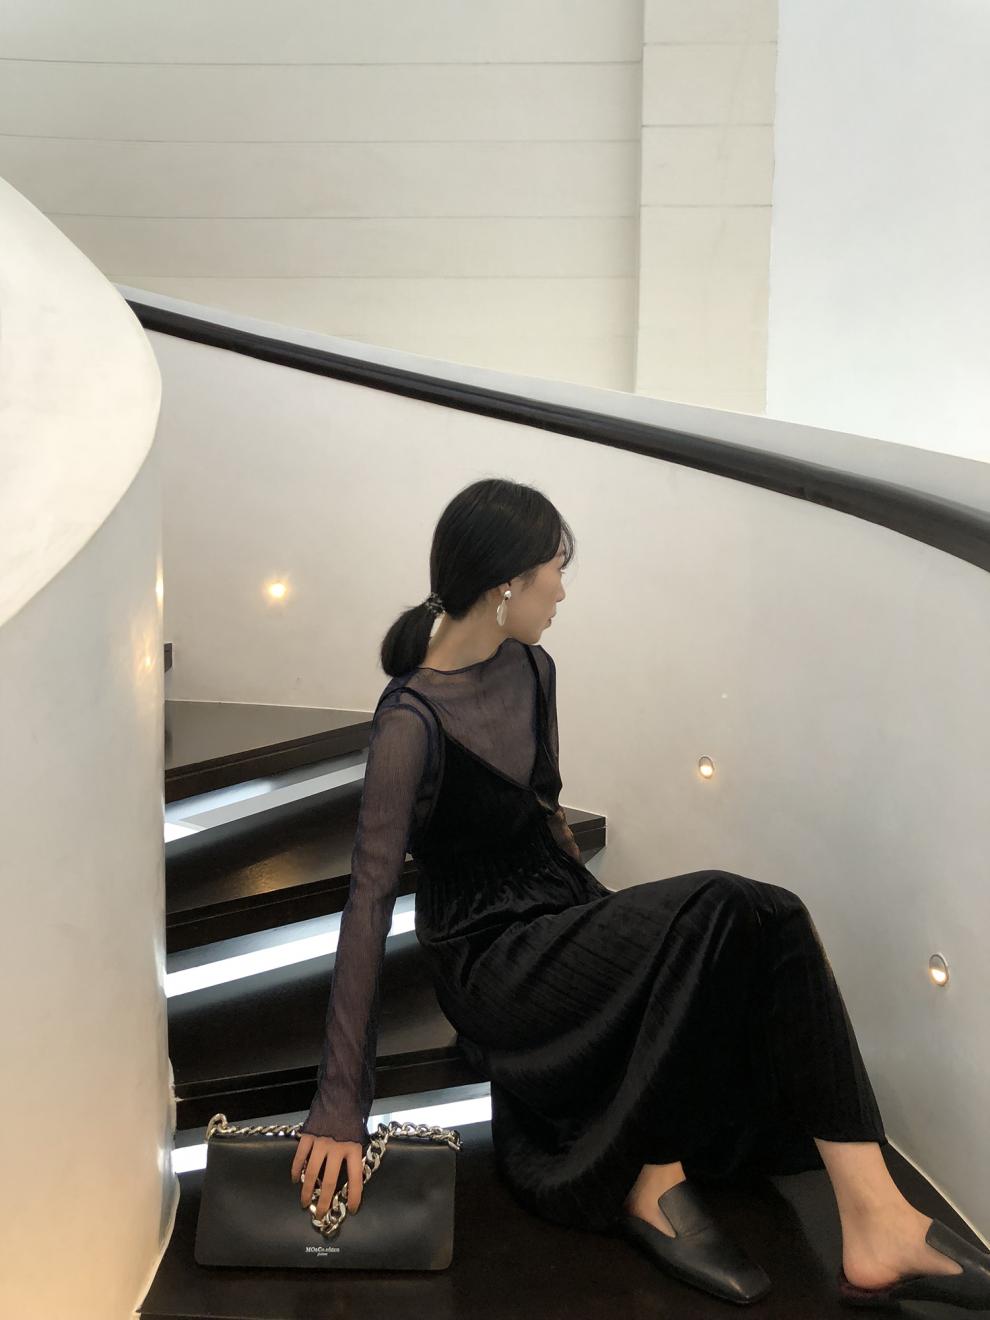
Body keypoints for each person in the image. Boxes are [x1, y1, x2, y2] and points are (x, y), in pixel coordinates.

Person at [290, 477, 990, 1308]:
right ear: (508, 583)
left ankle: (877, 1220)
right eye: (555, 570)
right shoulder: (409, 722)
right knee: (733, 904)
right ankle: (656, 1174)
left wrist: (612, 930)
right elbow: (368, 901)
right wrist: (341, 1102)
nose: (561, 590)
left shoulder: (533, 668)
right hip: (487, 956)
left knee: (764, 921)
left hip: (557, 911)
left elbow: (544, 815)